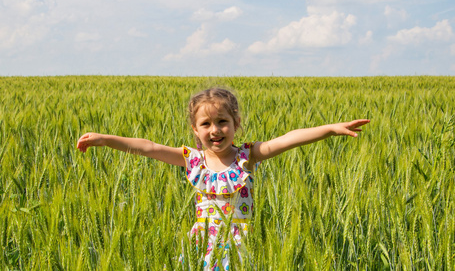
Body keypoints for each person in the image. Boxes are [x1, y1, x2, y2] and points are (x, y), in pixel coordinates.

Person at [76, 87, 369, 270]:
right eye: (206, 124)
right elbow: (148, 147)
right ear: (195, 129)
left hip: (241, 243)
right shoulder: (192, 160)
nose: (215, 130)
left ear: (236, 124)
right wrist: (106, 139)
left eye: (222, 122)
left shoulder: (248, 156)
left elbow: (288, 139)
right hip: (202, 244)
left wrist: (329, 128)